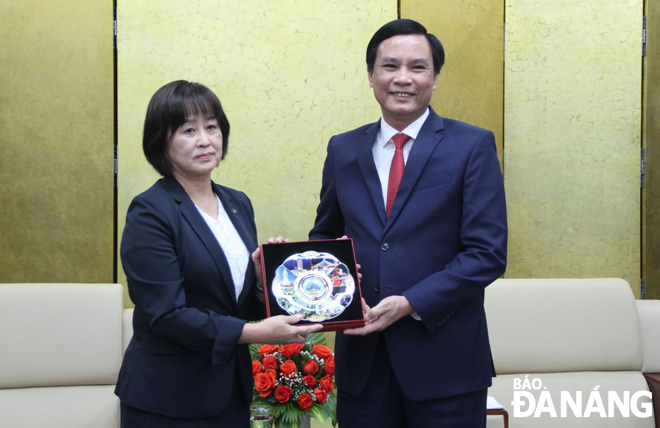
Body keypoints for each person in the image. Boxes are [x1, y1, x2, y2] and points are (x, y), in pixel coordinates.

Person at [309, 19, 507, 428]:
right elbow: (325, 236)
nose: (403, 78)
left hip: (446, 363)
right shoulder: (343, 148)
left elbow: (487, 254)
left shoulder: (472, 145)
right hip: (362, 364)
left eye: (418, 67)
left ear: (434, 78)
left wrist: (411, 303)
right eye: (389, 66)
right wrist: (334, 292)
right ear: (370, 75)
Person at [116, 80, 322, 427]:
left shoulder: (237, 203)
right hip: (168, 399)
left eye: (211, 127)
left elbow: (231, 301)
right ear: (161, 142)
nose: (204, 140)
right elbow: (166, 315)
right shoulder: (150, 212)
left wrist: (259, 285)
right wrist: (256, 333)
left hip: (230, 391)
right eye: (188, 130)